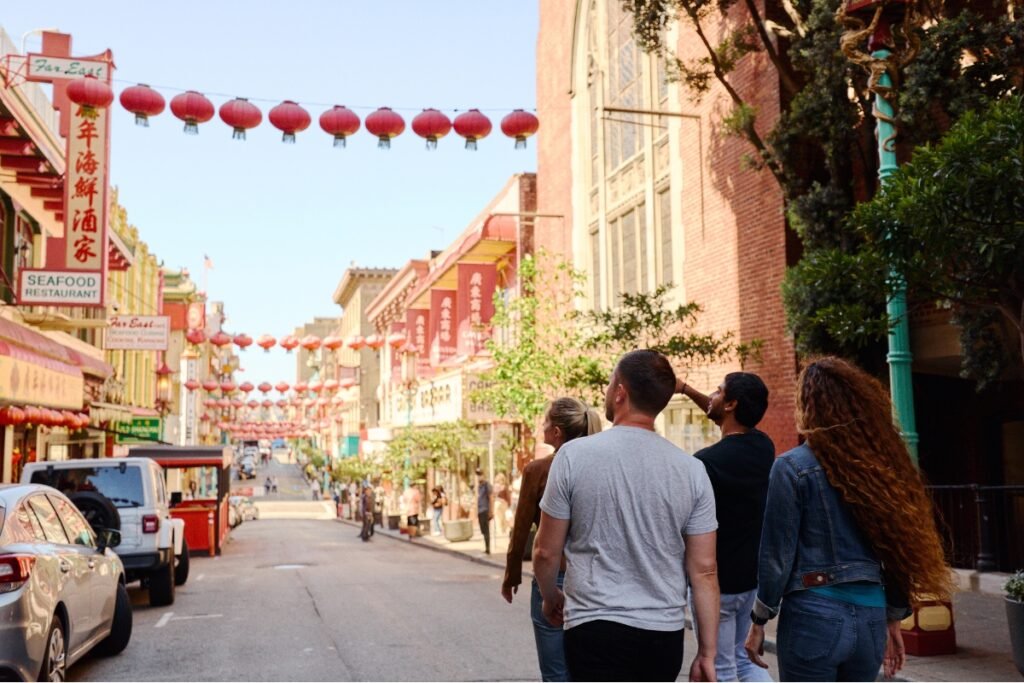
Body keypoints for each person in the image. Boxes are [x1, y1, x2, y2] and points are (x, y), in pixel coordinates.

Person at [745, 357, 953, 682]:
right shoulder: (882, 470)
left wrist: (759, 619)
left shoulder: (792, 467)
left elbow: (776, 556)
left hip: (813, 615)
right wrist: (894, 618)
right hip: (871, 620)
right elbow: (897, 553)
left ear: (809, 406)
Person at [534, 350, 720, 682]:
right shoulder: (692, 471)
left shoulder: (573, 457)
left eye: (609, 385)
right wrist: (707, 653)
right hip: (662, 633)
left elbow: (545, 551)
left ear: (620, 392)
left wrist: (550, 598)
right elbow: (704, 571)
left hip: (593, 626)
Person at [678, 373, 775, 682]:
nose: (712, 395)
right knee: (744, 661)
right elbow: (713, 408)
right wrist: (683, 388)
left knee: (719, 667)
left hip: (716, 582)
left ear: (731, 404)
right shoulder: (763, 447)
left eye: (718, 392)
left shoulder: (706, 462)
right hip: (752, 579)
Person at [502, 397, 602, 682]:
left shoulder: (538, 470)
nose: (541, 426)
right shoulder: (601, 467)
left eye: (545, 422)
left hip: (554, 577)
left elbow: (521, 529)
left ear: (556, 432)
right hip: (596, 577)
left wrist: (511, 576)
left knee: (556, 672)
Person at [476, 468, 494, 554]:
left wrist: (491, 511)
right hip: (480, 510)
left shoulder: (487, 485)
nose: (479, 477)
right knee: (482, 529)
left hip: (485, 509)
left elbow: (491, 498)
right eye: (478, 475)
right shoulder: (479, 487)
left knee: (486, 529)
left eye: (480, 474)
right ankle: (486, 547)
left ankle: (488, 548)